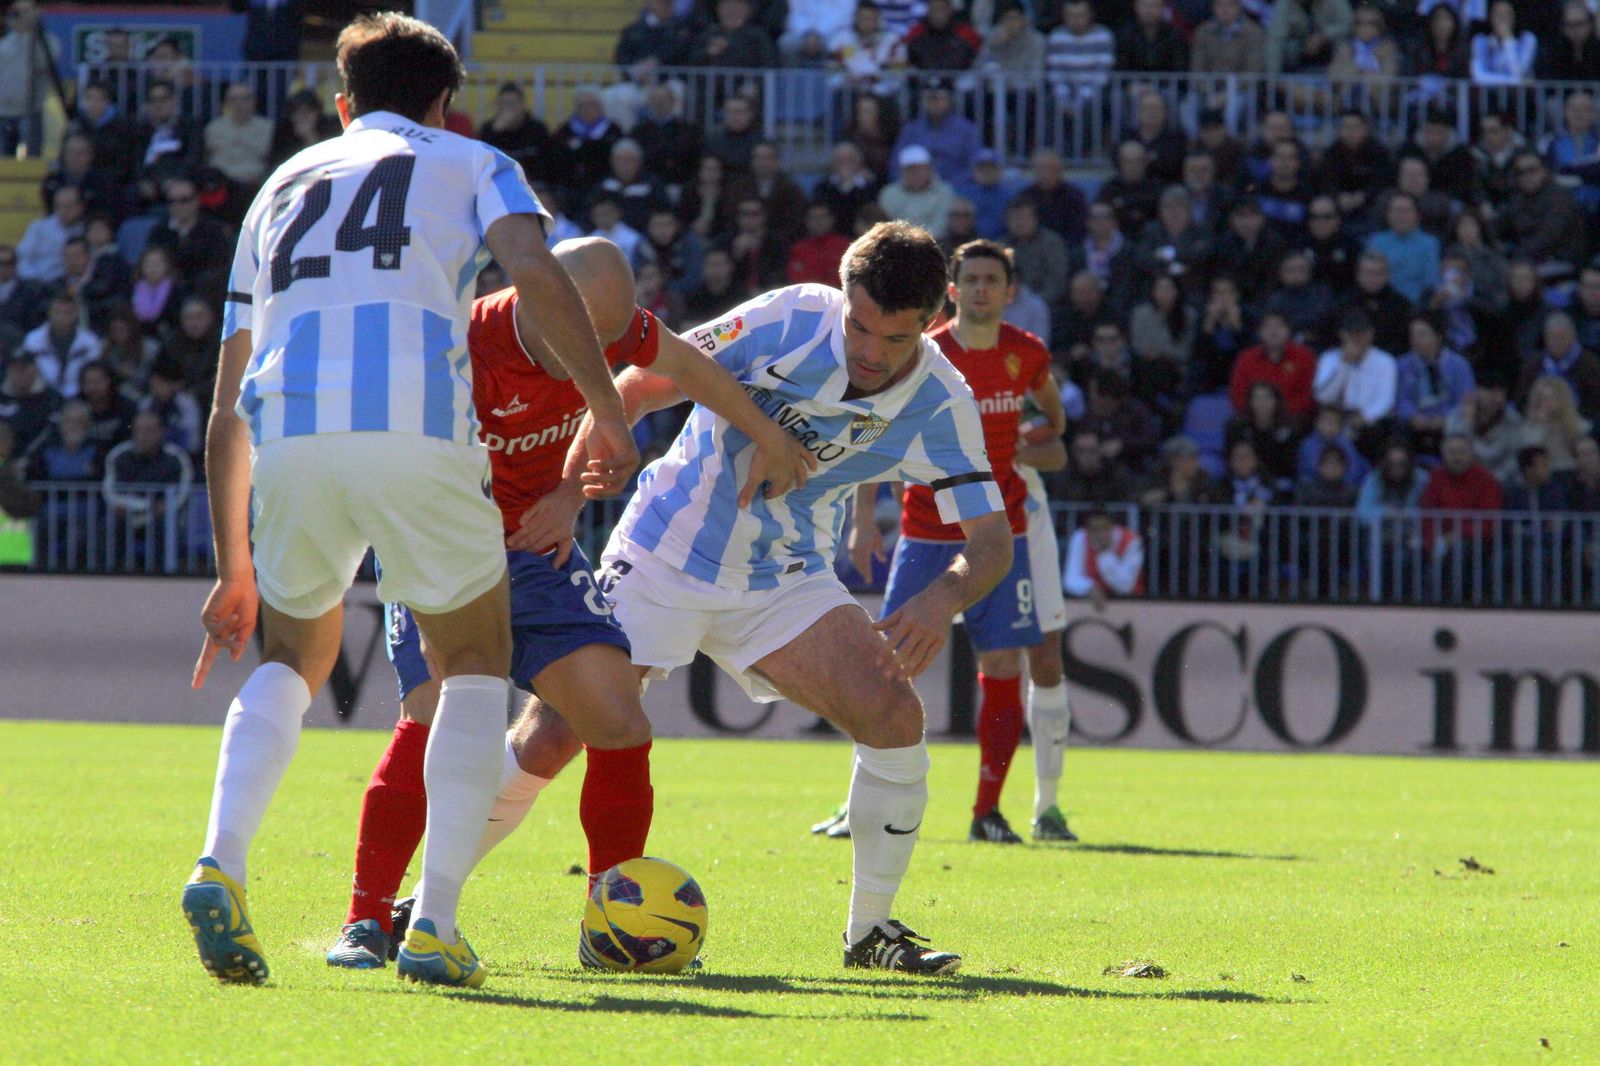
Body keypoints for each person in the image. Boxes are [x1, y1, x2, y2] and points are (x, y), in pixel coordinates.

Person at [181, 13, 637, 991]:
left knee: (291, 660)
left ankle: (220, 860)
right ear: (444, 104)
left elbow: (225, 403)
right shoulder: (474, 161)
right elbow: (536, 276)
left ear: (343, 105)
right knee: (472, 659)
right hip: (416, 425)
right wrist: (605, 411)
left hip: (289, 432)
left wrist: (233, 567)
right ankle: (434, 925)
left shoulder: (279, 184)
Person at [325, 239, 812, 969]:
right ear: (538, 300)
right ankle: (366, 921)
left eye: (609, 340)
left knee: (618, 721)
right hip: (434, 540)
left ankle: (611, 925)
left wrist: (764, 436)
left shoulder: (603, 325)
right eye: (583, 339)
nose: (597, 356)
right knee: (432, 714)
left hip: (535, 550)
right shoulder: (454, 346)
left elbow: (687, 367)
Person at [600, 222, 1011, 973]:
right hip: (664, 549)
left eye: (894, 338)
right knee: (558, 730)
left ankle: (871, 935)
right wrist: (581, 470)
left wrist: (941, 599)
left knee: (894, 715)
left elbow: (992, 541)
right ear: (843, 299)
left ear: (931, 322)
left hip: (782, 578)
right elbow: (647, 382)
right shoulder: (791, 316)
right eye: (859, 326)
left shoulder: (943, 400)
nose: (869, 351)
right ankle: (427, 904)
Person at [839, 241, 1065, 847]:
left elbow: (1055, 422)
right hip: (925, 529)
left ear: (1010, 290)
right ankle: (859, 803)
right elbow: (874, 431)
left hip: (1000, 534)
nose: (983, 289)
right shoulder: (922, 350)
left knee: (1004, 665)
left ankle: (987, 811)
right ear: (953, 291)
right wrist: (865, 518)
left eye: (994, 279)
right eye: (972, 279)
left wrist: (1031, 446)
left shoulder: (1027, 353)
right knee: (886, 667)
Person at [103, 408, 194, 566]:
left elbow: (183, 492)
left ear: (161, 432)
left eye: (150, 430)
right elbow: (109, 492)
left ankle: (165, 575)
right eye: (139, 430)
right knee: (106, 526)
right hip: (127, 514)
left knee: (167, 528)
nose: (144, 435)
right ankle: (109, 573)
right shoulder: (119, 455)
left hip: (162, 516)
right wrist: (143, 506)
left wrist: (163, 507)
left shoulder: (176, 457)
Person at [1314, 309, 1398, 454]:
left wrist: (1365, 417)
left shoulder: (1385, 361)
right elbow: (1322, 396)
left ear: (1371, 334)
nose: (1358, 338)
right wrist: (1345, 364)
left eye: (1362, 333)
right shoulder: (1329, 358)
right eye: (1353, 333)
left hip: (1370, 422)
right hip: (1337, 417)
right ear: (1343, 334)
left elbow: (1385, 400)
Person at [1395, 312, 1474, 456]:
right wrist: (1413, 416)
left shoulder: (1459, 365)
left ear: (1438, 336)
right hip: (1413, 425)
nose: (1415, 340)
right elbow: (1400, 399)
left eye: (1422, 334)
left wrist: (1445, 419)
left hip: (1449, 424)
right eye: (1412, 335)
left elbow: (1465, 400)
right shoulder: (1402, 365)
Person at [0, 0, 59, 158]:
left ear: (37, 12)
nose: (21, 16)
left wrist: (28, 34)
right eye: (17, 11)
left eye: (26, 11)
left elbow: (42, 64)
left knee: (31, 160)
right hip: (3, 113)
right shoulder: (4, 43)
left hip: (30, 114)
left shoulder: (48, 42)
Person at [1063, 505, 1144, 608]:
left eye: (1104, 527)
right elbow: (1070, 579)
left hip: (1131, 602)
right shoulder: (1080, 538)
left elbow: (1126, 586)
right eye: (1094, 529)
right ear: (1087, 530)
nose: (1100, 533)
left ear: (1113, 527)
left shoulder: (1131, 541)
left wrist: (1105, 553)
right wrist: (1090, 587)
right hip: (1095, 602)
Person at [23, 292, 102, 397]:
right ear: (49, 313)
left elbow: (92, 372)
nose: (62, 317)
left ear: (76, 314)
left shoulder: (90, 341)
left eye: (68, 312)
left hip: (81, 395)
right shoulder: (33, 340)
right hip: (42, 395)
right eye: (58, 312)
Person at [878, 145, 956, 240]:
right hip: (897, 243)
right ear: (902, 171)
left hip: (935, 243)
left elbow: (941, 226)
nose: (916, 173)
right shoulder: (889, 194)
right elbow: (888, 225)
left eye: (920, 168)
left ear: (929, 169)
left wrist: (918, 241)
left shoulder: (944, 192)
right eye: (911, 169)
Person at [17, 186, 84, 285]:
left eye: (70, 206)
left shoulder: (85, 230)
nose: (65, 211)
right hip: (39, 282)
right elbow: (22, 257)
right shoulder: (39, 227)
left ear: (80, 207)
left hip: (71, 283)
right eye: (61, 206)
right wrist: (33, 279)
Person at [1470, 0, 1537, 87]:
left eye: (1507, 13)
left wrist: (1508, 40)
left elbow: (1519, 72)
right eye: (1497, 13)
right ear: (1490, 16)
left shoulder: (1527, 38)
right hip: (1488, 92)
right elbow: (1479, 76)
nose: (1502, 17)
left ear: (1514, 15)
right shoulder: (1480, 40)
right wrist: (1517, 81)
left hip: (1518, 93)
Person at [1190, 0, 1266, 74]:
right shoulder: (1203, 32)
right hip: (1210, 81)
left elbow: (1253, 69)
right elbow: (1197, 67)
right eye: (1219, 4)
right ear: (1213, 7)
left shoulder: (1254, 32)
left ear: (1239, 6)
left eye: (1231, 4)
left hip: (1242, 82)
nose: (1225, 9)